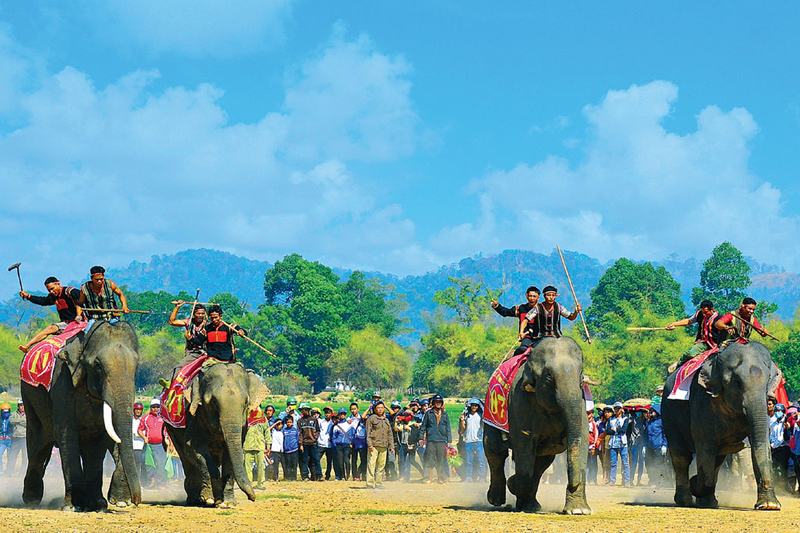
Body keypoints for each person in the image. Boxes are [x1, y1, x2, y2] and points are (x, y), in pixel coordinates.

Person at [18, 277, 83, 353]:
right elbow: (43, 301)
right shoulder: (53, 297)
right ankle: (27, 346)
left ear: (58, 283)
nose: (52, 291)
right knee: (50, 329)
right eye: (49, 290)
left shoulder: (69, 291)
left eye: (52, 288)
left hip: (78, 322)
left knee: (51, 328)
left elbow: (82, 298)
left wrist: (79, 315)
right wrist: (28, 296)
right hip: (66, 323)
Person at [666, 300, 721, 373]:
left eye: (706, 312)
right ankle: (678, 363)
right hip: (703, 343)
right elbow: (688, 321)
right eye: (703, 312)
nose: (704, 315)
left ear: (712, 309)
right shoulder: (700, 314)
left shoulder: (720, 319)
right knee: (691, 353)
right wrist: (674, 324)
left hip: (716, 345)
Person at [491, 286, 541, 355]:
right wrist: (497, 306)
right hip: (527, 337)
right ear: (526, 296)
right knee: (522, 349)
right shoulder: (521, 309)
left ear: (538, 298)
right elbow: (506, 312)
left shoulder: (542, 309)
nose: (532, 298)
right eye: (530, 296)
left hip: (540, 337)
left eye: (534, 296)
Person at [167, 301, 208, 370]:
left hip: (205, 352)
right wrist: (177, 307)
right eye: (198, 313)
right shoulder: (189, 322)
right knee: (179, 367)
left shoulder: (207, 325)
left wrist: (190, 338)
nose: (200, 316)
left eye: (202, 314)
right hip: (192, 352)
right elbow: (172, 322)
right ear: (194, 314)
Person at [420, 394, 451, 484]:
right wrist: (421, 438)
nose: (438, 403)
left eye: (439, 402)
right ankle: (430, 478)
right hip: (431, 440)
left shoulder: (445, 414)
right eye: (436, 402)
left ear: (442, 403)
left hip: (441, 440)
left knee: (440, 460)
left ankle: (439, 478)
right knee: (430, 459)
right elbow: (423, 426)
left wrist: (449, 440)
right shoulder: (428, 414)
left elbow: (448, 428)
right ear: (433, 403)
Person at [138, 397, 166, 489]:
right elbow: (140, 429)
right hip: (149, 445)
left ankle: (160, 483)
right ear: (150, 408)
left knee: (161, 464)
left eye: (157, 407)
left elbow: (168, 430)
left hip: (160, 445)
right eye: (153, 407)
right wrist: (144, 437)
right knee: (149, 465)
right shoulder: (145, 418)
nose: (156, 409)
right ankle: (149, 482)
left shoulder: (163, 417)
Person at [365, 400, 394, 488]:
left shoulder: (386, 420)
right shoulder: (371, 419)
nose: (380, 409)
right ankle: (370, 483)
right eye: (378, 408)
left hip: (384, 446)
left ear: (384, 409)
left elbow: (390, 434)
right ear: (375, 409)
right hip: (374, 445)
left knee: (381, 466)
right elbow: (368, 433)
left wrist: (392, 446)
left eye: (382, 408)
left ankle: (378, 483)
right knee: (371, 464)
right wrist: (370, 444)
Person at [459, 399, 485, 482]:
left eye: (476, 406)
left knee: (481, 460)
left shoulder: (480, 415)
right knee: (469, 461)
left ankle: (482, 477)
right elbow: (463, 429)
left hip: (478, 440)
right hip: (468, 441)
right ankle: (468, 477)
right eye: (473, 405)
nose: (474, 407)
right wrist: (462, 420)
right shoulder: (467, 416)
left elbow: (483, 426)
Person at [244, 408, 270, 489]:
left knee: (261, 467)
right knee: (247, 468)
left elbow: (267, 431)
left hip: (260, 446)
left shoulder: (263, 419)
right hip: (248, 446)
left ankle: (260, 484)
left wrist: (268, 444)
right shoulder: (245, 418)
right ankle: (249, 484)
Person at [606, 402, 631, 486]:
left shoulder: (625, 418)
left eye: (618, 408)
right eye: (615, 408)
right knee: (613, 463)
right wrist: (615, 430)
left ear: (621, 409)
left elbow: (624, 430)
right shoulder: (611, 419)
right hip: (613, 443)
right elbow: (608, 431)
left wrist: (614, 429)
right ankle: (612, 481)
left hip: (623, 443)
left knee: (625, 463)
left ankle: (627, 481)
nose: (617, 410)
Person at [769, 403, 791, 491]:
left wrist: (773, 445)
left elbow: (782, 438)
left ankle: (785, 487)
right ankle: (776, 486)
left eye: (779, 410)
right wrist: (771, 443)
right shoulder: (774, 423)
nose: (777, 412)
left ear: (783, 411)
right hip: (775, 449)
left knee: (783, 469)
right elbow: (772, 435)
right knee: (773, 468)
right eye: (776, 411)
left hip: (783, 448)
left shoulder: (785, 422)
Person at [644, 404, 668, 486]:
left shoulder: (661, 421)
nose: (650, 412)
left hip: (658, 447)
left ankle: (663, 481)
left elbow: (665, 434)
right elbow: (646, 434)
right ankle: (652, 480)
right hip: (649, 447)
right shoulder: (649, 422)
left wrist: (664, 445)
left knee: (659, 464)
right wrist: (645, 445)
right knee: (649, 464)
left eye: (652, 411)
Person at [297, 403, 321, 481]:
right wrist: (301, 444)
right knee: (304, 460)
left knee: (316, 460)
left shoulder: (314, 420)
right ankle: (305, 476)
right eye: (302, 410)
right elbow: (300, 433)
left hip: (313, 443)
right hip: (304, 443)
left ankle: (319, 476)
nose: (303, 411)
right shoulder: (300, 421)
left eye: (304, 410)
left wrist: (315, 438)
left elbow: (318, 430)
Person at [331, 408, 354, 480]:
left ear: (346, 415)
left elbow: (352, 434)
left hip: (347, 445)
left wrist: (352, 443)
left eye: (344, 414)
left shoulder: (350, 425)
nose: (342, 415)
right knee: (340, 462)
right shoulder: (336, 426)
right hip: (339, 446)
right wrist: (335, 445)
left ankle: (348, 475)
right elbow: (334, 437)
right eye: (341, 414)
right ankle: (343, 476)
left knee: (347, 460)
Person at [348, 402, 368, 481]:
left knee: (364, 459)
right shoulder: (349, 419)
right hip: (354, 441)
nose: (353, 411)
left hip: (363, 441)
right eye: (352, 409)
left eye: (354, 409)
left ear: (358, 409)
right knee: (354, 460)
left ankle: (362, 474)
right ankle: (355, 476)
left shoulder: (363, 417)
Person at [629, 407, 648, 485]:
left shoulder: (645, 422)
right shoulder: (633, 420)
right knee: (633, 462)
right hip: (634, 444)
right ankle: (631, 479)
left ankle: (639, 480)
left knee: (641, 463)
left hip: (642, 444)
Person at [317, 407, 334, 481]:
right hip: (321, 443)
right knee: (317, 460)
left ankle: (327, 476)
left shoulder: (333, 422)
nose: (327, 414)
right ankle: (318, 475)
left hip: (329, 444)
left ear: (331, 414)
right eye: (326, 413)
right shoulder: (321, 421)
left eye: (329, 413)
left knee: (329, 462)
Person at [282, 415, 300, 481]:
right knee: (288, 465)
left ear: (292, 422)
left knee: (294, 464)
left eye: (290, 422)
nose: (289, 423)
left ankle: (294, 477)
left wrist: (297, 446)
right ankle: (288, 477)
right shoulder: (284, 431)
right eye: (287, 422)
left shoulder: (295, 430)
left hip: (294, 450)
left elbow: (297, 439)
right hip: (287, 451)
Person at [132, 402, 145, 478]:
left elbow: (143, 433)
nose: (138, 411)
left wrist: (138, 434)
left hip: (139, 446)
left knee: (138, 464)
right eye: (137, 409)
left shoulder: (143, 420)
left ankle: (137, 479)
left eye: (140, 409)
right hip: (131, 446)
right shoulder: (130, 420)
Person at [586, 409, 599, 485]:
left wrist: (593, 447)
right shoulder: (584, 423)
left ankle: (593, 479)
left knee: (592, 463)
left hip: (591, 446)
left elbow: (596, 435)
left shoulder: (593, 424)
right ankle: (586, 479)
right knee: (586, 464)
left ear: (592, 414)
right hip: (585, 446)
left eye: (589, 414)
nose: (587, 415)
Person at [0, 404, 11, 474]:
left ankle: (9, 470)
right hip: (2, 440)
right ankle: (1, 470)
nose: (5, 414)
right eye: (4, 412)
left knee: (10, 456)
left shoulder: (12, 418)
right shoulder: (0, 419)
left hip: (10, 439)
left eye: (7, 412)